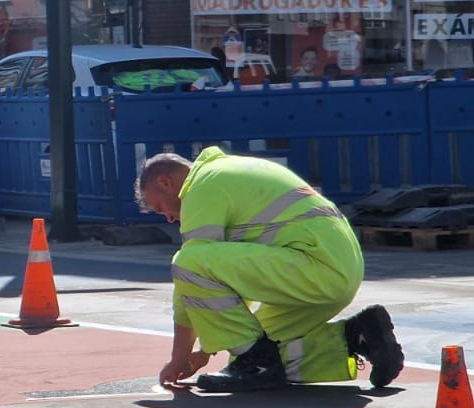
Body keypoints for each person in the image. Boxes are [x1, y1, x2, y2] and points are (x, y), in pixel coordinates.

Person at [134, 148, 404, 393]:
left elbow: (191, 275)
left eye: (160, 208)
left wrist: (179, 357)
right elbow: (235, 277)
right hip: (332, 267)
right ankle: (358, 336)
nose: (169, 218)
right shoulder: (229, 172)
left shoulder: (202, 187)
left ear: (165, 182)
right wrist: (207, 347)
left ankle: (258, 364)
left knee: (188, 260)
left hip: (315, 264)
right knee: (254, 352)